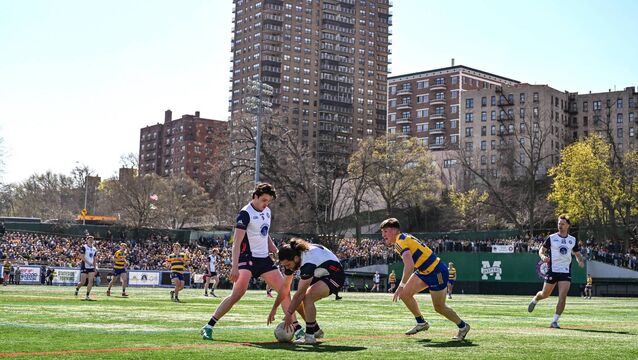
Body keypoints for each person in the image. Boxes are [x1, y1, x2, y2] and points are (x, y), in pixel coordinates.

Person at [200, 183, 305, 341]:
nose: (265, 204)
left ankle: (297, 329)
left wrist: (276, 252)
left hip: (264, 260)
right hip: (247, 259)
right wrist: (234, 267)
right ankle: (208, 326)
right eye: (263, 200)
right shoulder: (245, 214)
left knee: (284, 291)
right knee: (237, 294)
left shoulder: (267, 212)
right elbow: (237, 243)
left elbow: (265, 234)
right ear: (255, 196)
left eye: (268, 201)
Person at [380, 218, 470, 341]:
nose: (383, 235)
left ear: (395, 230)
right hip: (424, 271)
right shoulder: (403, 237)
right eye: (382, 232)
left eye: (385, 231)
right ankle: (421, 323)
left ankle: (463, 326)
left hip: (436, 271)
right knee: (405, 295)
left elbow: (409, 265)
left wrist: (400, 286)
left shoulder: (399, 242)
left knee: (439, 307)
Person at [269, 238, 344, 344]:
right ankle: (316, 330)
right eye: (285, 266)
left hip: (334, 275)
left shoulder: (308, 262)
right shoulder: (295, 258)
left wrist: (289, 314)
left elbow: (300, 294)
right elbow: (284, 288)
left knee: (307, 297)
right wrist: (274, 308)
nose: (287, 268)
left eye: (288, 265)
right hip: (321, 273)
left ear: (295, 258)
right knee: (297, 303)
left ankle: (309, 336)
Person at [527, 214, 585, 328]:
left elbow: (577, 254)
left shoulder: (572, 240)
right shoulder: (552, 238)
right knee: (545, 294)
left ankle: (554, 321)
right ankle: (535, 299)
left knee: (562, 297)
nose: (560, 226)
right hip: (552, 270)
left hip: (565, 271)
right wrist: (543, 257)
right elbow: (541, 251)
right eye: (559, 223)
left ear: (568, 225)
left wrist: (580, 261)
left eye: (563, 224)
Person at [75, 235, 98, 301]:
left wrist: (95, 267)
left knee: (91, 281)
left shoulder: (94, 249)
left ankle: (87, 295)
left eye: (92, 239)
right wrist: (88, 263)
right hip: (84, 265)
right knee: (82, 282)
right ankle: (77, 289)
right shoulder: (84, 247)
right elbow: (82, 257)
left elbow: (94, 258)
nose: (91, 240)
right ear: (87, 240)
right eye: (89, 239)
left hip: (91, 267)